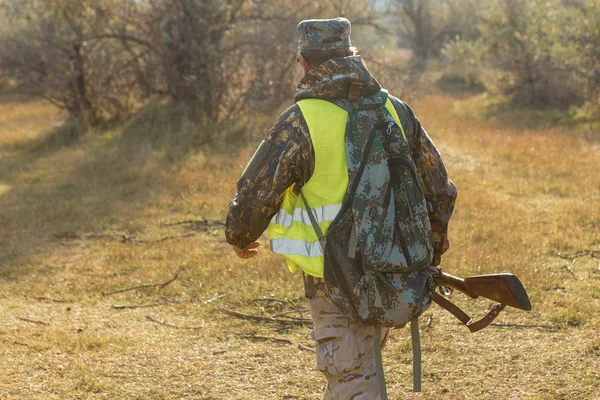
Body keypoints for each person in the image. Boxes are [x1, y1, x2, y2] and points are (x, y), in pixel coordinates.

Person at [226, 17, 456, 400]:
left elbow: (255, 191)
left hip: (334, 280)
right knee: (356, 373)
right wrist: (427, 255)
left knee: (353, 379)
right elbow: (439, 190)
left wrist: (239, 235)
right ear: (352, 54)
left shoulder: (301, 121)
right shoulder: (397, 110)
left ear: (304, 62)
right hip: (395, 273)